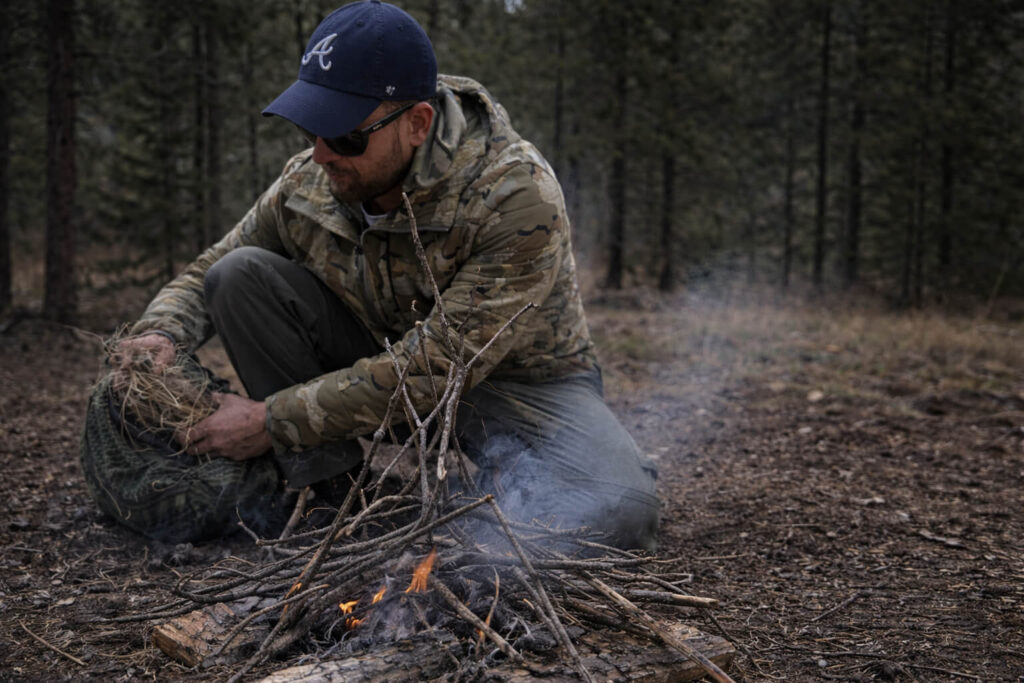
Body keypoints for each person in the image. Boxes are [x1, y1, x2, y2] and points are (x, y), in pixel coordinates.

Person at [88, 0, 659, 550]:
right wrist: (162, 332)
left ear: (416, 123)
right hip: (376, 354)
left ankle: (476, 497)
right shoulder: (311, 180)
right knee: (240, 275)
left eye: (343, 136)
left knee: (619, 507)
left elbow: (438, 365)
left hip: (513, 386)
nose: (319, 155)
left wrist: (271, 421)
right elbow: (213, 265)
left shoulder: (513, 194)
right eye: (309, 129)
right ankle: (334, 496)